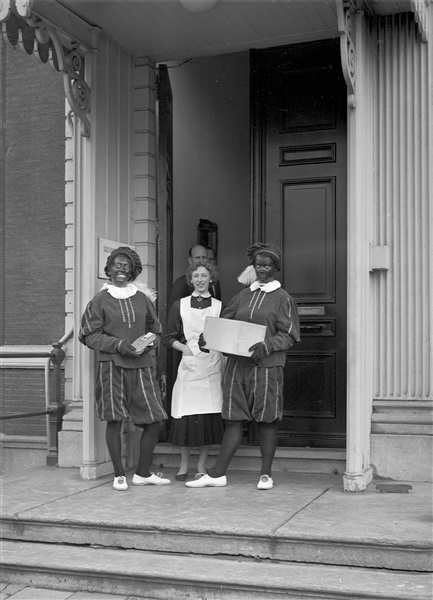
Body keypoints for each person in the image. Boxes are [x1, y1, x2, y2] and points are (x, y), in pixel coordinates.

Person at [186, 242, 300, 491]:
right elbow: (224, 323)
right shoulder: (243, 296)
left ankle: (266, 475)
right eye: (258, 265)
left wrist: (266, 346)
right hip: (238, 366)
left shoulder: (283, 298)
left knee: (267, 421)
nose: (262, 269)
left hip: (267, 367)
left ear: (274, 268)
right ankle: (217, 474)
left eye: (267, 265)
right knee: (234, 420)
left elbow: (290, 334)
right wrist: (210, 339)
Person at [79, 247, 170, 491]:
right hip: (111, 367)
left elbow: (156, 329)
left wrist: (149, 342)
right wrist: (119, 345)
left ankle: (142, 472)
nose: (122, 269)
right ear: (108, 269)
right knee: (115, 420)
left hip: (141, 366)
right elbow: (88, 336)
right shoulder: (99, 301)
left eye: (127, 266)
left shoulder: (142, 299)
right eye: (117, 265)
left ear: (133, 272)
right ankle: (119, 475)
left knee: (154, 420)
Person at [164, 262, 225, 480]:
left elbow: (223, 336)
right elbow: (168, 336)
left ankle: (201, 466)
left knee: (206, 417)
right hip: (189, 366)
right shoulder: (179, 305)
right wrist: (184, 348)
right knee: (186, 418)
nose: (200, 280)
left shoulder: (219, 306)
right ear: (191, 279)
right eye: (196, 276)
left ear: (211, 279)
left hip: (210, 365)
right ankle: (183, 465)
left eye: (204, 276)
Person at [167, 245, 221, 312]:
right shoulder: (181, 283)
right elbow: (173, 313)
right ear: (190, 260)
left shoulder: (214, 282)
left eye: (204, 257)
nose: (201, 261)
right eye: (197, 258)